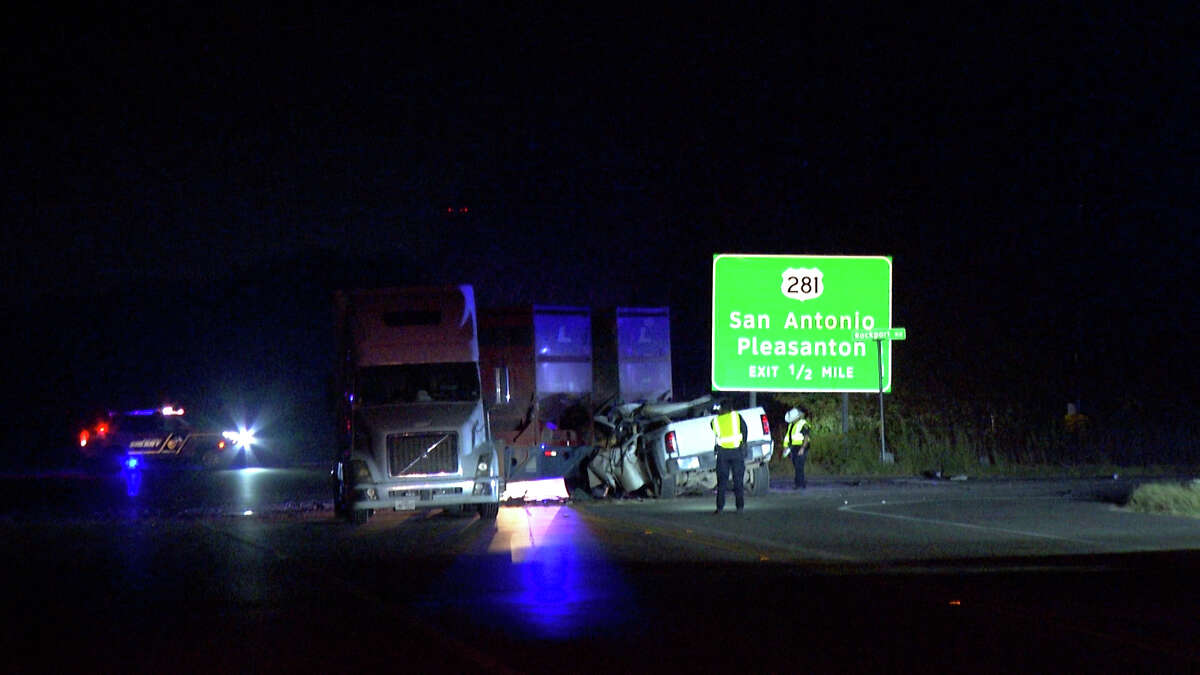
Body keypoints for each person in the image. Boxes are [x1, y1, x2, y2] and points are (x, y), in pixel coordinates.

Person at [710, 401, 748, 514]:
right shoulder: (736, 416)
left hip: (722, 454)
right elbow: (744, 430)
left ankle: (720, 508)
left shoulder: (715, 421)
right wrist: (743, 443)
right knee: (738, 481)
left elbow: (714, 430)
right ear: (731, 408)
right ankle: (740, 507)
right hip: (736, 452)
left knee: (722, 482)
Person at [783, 407, 811, 489]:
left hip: (801, 446)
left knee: (799, 465)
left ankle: (799, 484)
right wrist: (785, 447)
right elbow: (788, 437)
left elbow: (806, 436)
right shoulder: (791, 425)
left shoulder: (803, 424)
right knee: (796, 465)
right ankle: (801, 482)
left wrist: (802, 448)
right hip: (793, 447)